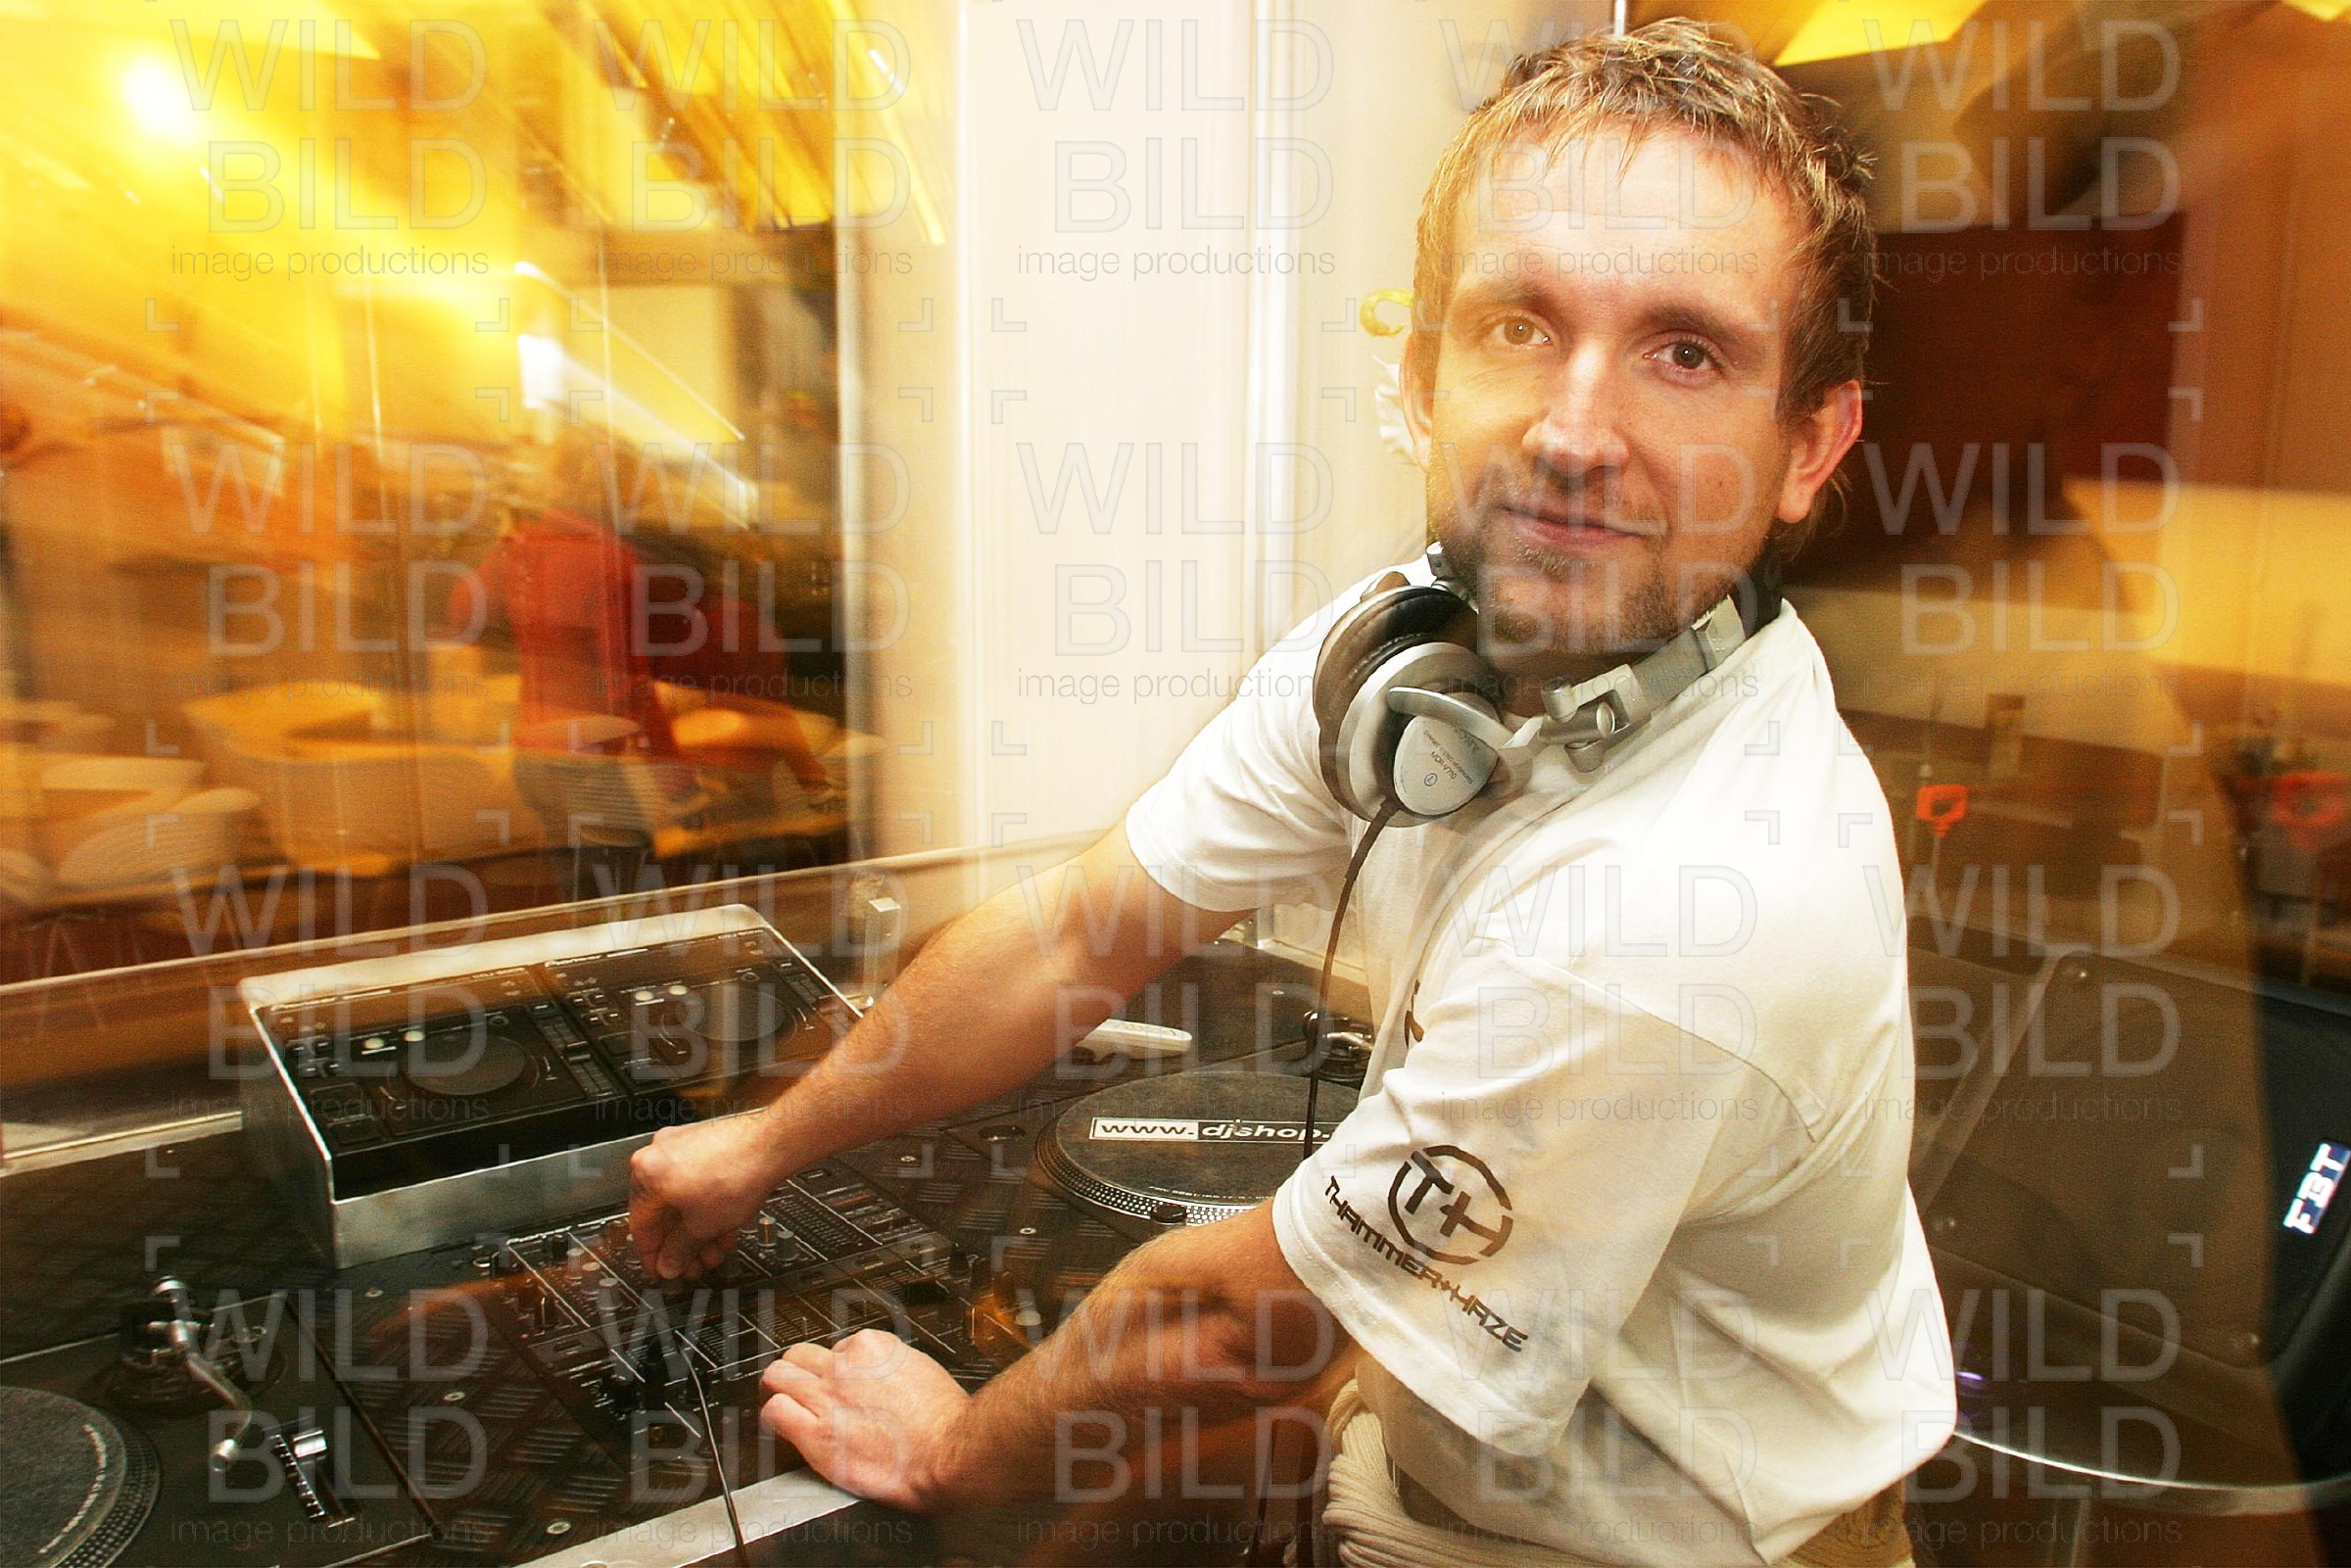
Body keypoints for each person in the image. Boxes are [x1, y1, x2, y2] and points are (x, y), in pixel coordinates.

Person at [626, 21, 1956, 1566]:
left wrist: (954, 1452)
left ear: (1811, 445)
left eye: (1686, 352)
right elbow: (1080, 931)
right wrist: (763, 1141)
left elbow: (1227, 1324)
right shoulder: (1410, 652)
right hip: (1428, 1428)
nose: (1573, 433)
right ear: (1420, 372)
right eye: (1519, 324)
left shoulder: (1688, 912)